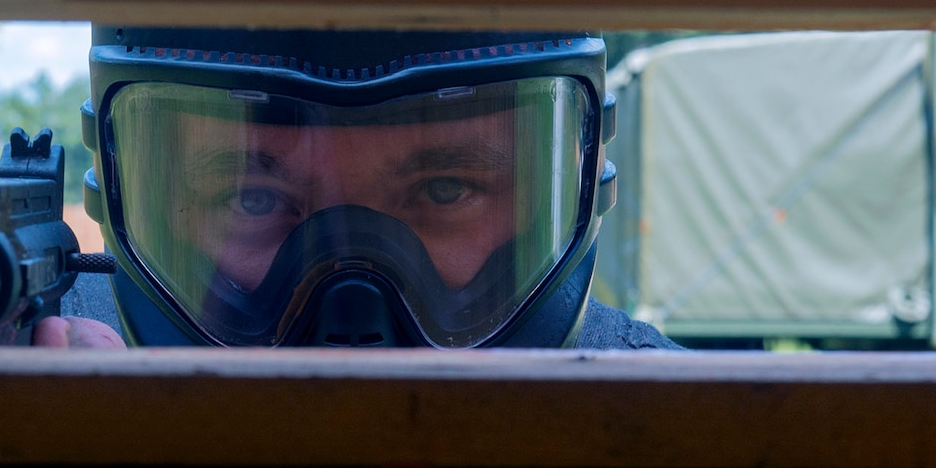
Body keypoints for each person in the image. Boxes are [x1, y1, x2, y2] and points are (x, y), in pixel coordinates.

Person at [33, 28, 676, 350]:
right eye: (252, 198)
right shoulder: (56, 382)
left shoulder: (687, 444)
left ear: (571, 190)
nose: (352, 324)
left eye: (447, 189)